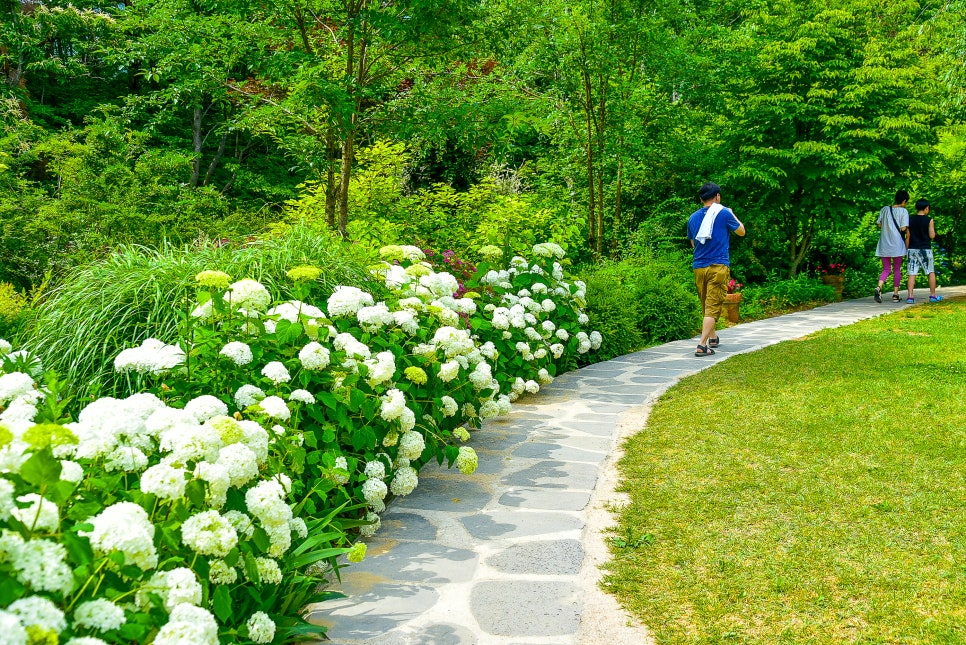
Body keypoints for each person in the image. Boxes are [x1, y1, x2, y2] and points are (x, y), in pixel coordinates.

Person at [687, 182, 746, 357]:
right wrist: (732, 213)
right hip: (718, 266)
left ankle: (713, 337)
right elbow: (741, 231)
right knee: (712, 305)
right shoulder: (724, 213)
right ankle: (702, 345)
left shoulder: (692, 218)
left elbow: (693, 243)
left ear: (701, 198)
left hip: (699, 266)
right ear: (718, 196)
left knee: (706, 303)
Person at [874, 190, 910, 303]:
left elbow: (879, 224)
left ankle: (879, 287)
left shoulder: (885, 209)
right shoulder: (903, 211)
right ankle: (895, 295)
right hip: (897, 245)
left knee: (886, 269)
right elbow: (903, 228)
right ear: (904, 201)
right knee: (897, 269)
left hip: (884, 244)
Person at [905, 198, 943, 303]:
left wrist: (906, 249)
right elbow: (932, 235)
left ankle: (910, 297)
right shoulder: (929, 220)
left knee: (912, 273)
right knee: (930, 272)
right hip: (925, 249)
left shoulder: (910, 219)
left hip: (912, 249)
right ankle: (932, 296)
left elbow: (908, 236)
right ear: (926, 208)